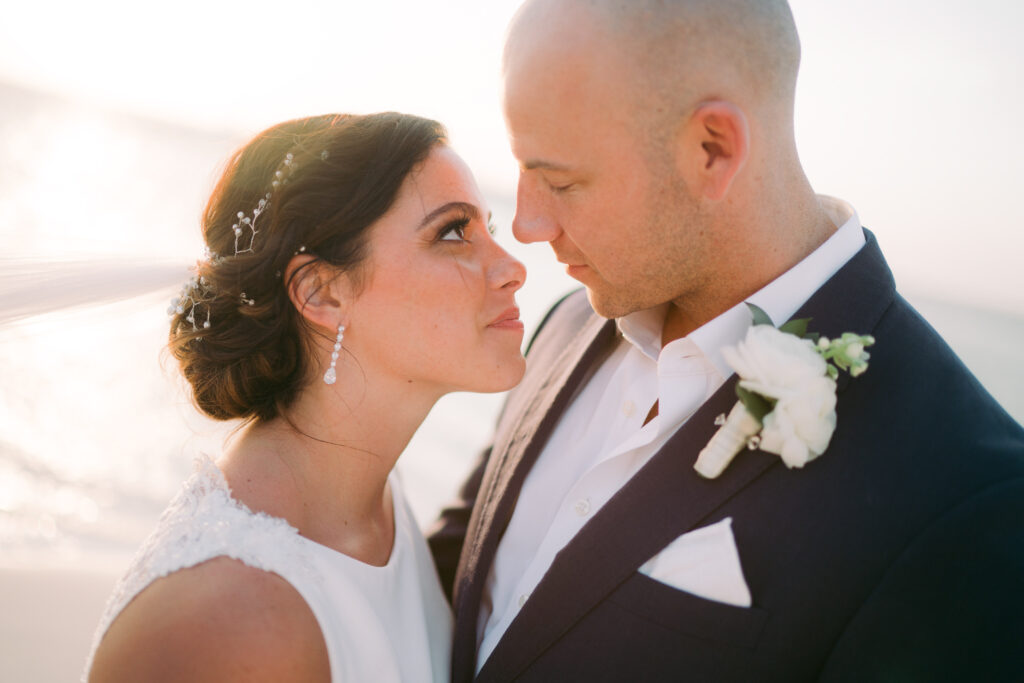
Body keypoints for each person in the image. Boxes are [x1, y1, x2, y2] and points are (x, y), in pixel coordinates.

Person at [429, 1, 1024, 681]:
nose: (527, 225)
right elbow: (445, 587)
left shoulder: (968, 500)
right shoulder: (566, 322)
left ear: (713, 149)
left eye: (561, 181)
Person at [83, 112, 527, 683]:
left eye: (489, 228)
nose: (513, 267)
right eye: (452, 232)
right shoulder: (235, 625)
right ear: (321, 293)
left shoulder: (376, 502)